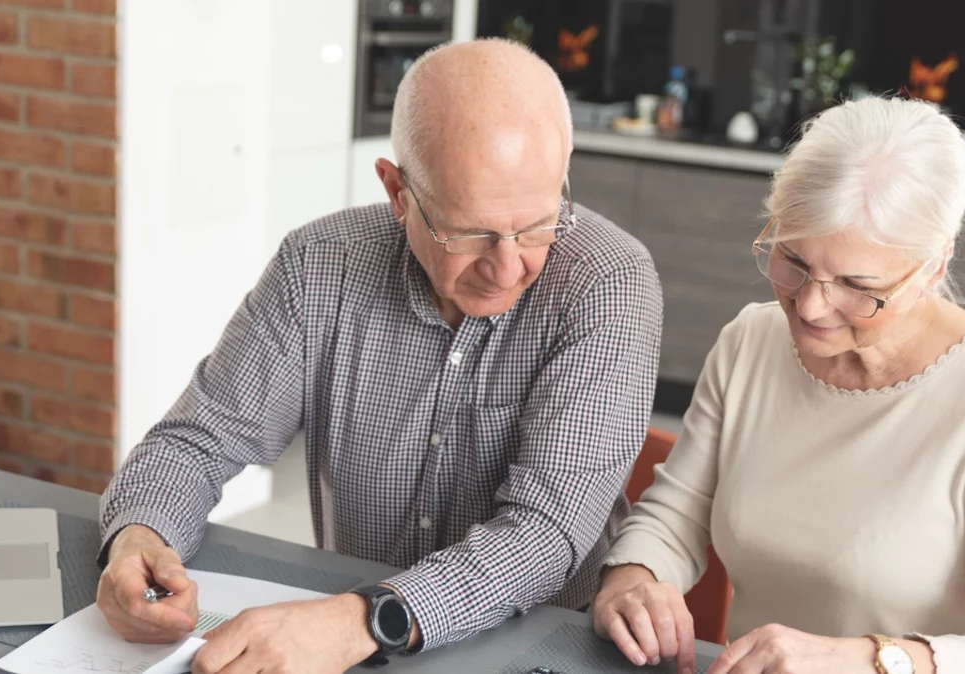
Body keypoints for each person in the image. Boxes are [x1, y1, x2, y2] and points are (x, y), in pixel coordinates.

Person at [96, 38, 663, 673]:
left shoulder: (609, 283)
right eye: (469, 232)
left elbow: (543, 534)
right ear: (397, 193)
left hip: (539, 648)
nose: (507, 267)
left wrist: (366, 619)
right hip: (362, 654)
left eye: (535, 225)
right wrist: (137, 538)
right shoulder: (319, 266)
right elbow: (198, 442)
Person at [592, 96, 965, 674]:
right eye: (794, 261)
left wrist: (869, 659)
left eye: (857, 284)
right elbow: (677, 516)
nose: (809, 305)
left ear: (933, 267)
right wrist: (632, 578)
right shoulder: (750, 340)